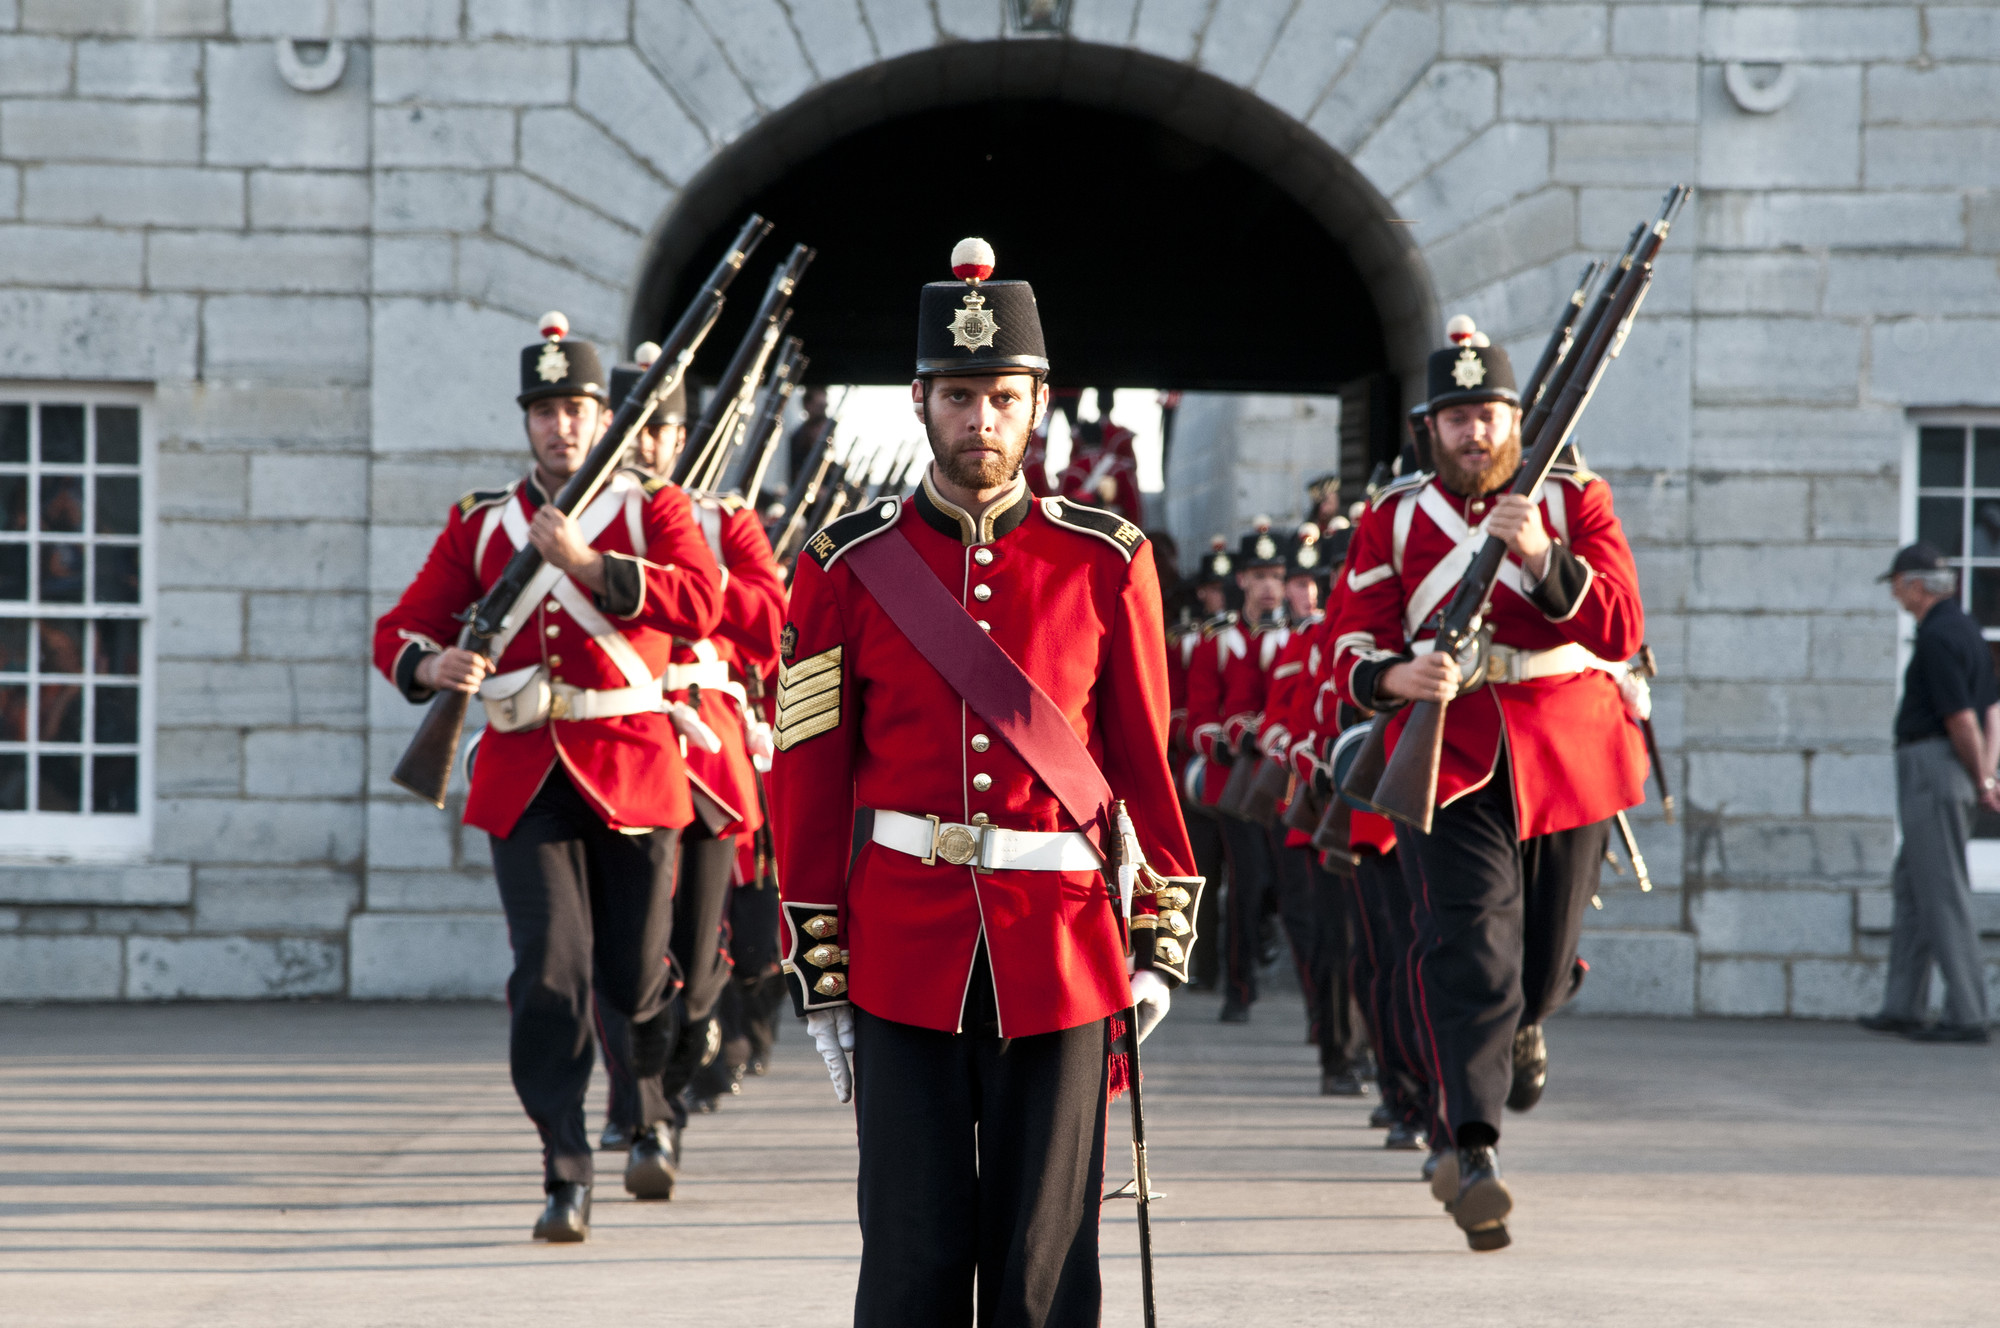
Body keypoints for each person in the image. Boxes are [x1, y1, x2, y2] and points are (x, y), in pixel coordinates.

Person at [769, 238, 1202, 1325]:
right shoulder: (839, 564)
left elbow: (1142, 762)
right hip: (899, 951)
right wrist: (819, 961)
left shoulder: (1107, 561)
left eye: (1001, 396)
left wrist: (1154, 939)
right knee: (909, 1256)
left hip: (1060, 950)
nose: (980, 420)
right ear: (919, 400)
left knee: (1041, 1263)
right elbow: (809, 776)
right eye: (957, 396)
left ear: (1036, 402)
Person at [373, 313, 724, 1241]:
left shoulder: (655, 508)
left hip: (636, 772)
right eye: (545, 410)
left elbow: (702, 602)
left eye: (577, 408)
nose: (561, 426)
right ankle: (564, 1169)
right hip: (527, 777)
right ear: (526, 421)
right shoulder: (482, 522)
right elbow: (400, 627)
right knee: (551, 979)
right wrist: (429, 667)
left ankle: (656, 1086)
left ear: (603, 414)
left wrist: (592, 565)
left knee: (634, 979)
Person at [1329, 316, 1647, 1251]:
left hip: (1567, 751)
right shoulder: (1394, 516)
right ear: (1430, 427)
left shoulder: (1576, 496)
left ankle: (1532, 1021)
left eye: (1491, 414)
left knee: (1537, 968)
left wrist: (1545, 559)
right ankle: (1473, 1146)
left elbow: (1622, 625)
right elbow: (1351, 636)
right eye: (1457, 417)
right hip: (1456, 751)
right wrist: (1395, 680)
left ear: (1519, 419)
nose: (1476, 433)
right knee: (1470, 950)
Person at [587, 343, 788, 1163]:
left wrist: (686, 581)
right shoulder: (589, 520)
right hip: (621, 737)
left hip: (702, 742)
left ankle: (693, 1036)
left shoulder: (721, 517)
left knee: (700, 952)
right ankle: (634, 1100)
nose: (649, 447)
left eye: (662, 433)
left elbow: (770, 620)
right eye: (637, 433)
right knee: (621, 940)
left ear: (680, 438)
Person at [1860, 542, 1997, 1044]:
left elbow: (1961, 718)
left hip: (1935, 767)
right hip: (1950, 767)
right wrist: (1986, 774)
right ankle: (1903, 1005)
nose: (1896, 595)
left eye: (1897, 585)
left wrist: (1981, 776)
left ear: (1917, 585)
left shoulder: (1939, 636)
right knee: (1913, 886)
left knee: (1941, 892)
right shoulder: (1967, 631)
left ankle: (1967, 1013)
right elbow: (1992, 713)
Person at [1055, 386, 1143, 524]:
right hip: (1115, 528)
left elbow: (1057, 509)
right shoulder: (1122, 467)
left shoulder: (1069, 472)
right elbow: (1133, 507)